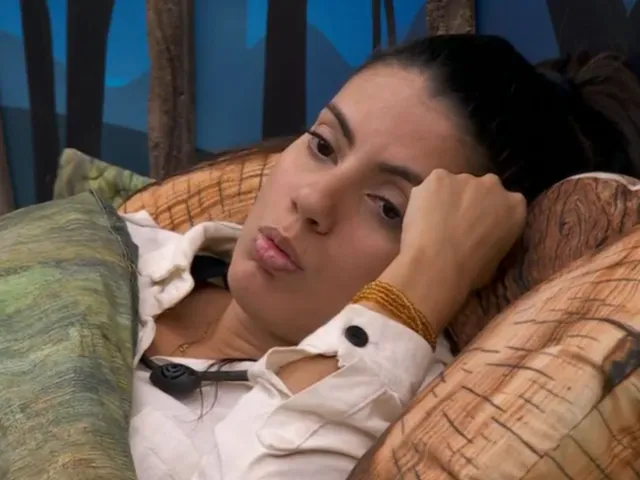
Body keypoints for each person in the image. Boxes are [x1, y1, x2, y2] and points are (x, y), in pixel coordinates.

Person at [124, 34, 640, 479]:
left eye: (389, 208)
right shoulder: (130, 248)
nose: (313, 201)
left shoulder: (390, 427)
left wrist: (415, 294)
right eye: (323, 146)